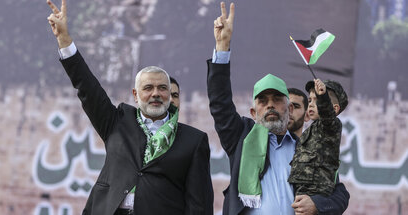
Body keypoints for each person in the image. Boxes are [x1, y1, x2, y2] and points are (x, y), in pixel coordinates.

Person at [46, 0, 213, 214]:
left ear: (170, 96)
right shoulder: (117, 122)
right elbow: (88, 88)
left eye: (162, 88)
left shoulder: (193, 141)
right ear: (136, 95)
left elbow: (199, 203)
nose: (155, 93)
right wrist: (64, 40)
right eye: (148, 88)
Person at [207, 2, 349, 214]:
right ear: (254, 113)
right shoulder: (241, 138)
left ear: (290, 109)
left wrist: (317, 205)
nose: (270, 104)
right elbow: (220, 103)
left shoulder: (307, 146)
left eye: (277, 99)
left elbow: (340, 195)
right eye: (263, 101)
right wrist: (223, 47)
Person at [288, 79, 348, 197]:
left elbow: (327, 115)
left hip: (317, 191)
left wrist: (323, 97)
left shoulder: (331, 126)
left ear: (334, 109)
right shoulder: (312, 129)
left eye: (317, 100)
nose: (310, 104)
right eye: (310, 100)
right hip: (303, 188)